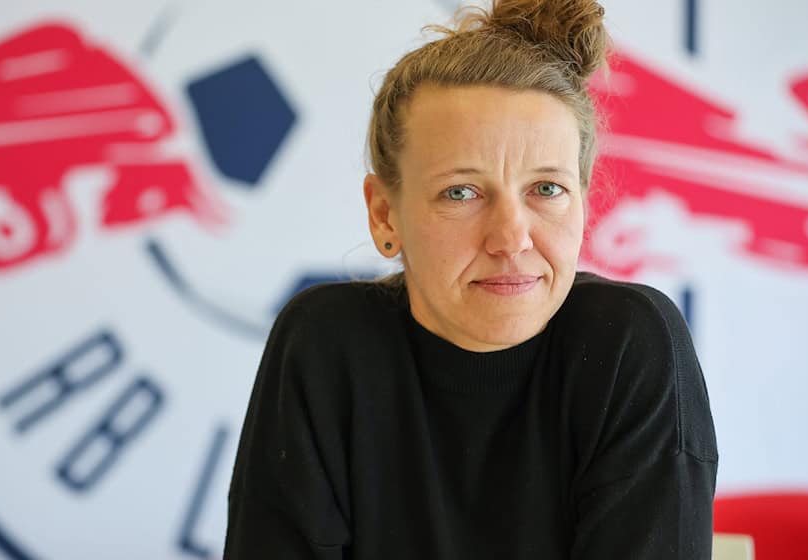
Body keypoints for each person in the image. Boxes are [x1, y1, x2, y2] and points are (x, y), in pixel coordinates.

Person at [223, 0, 718, 558]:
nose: (511, 237)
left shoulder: (629, 343)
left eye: (547, 189)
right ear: (385, 214)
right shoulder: (324, 343)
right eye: (462, 192)